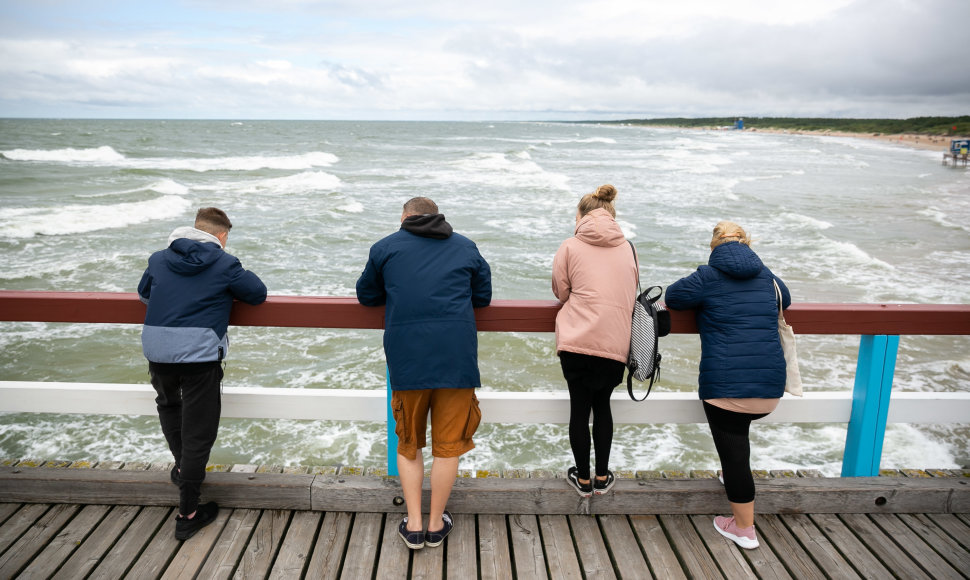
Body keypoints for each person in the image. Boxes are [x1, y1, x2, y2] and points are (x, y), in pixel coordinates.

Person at [356, 197, 491, 550]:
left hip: (408, 359)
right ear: (438, 216)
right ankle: (436, 524)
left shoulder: (385, 248)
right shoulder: (465, 246)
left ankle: (413, 525)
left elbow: (366, 296)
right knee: (448, 448)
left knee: (410, 443)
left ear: (404, 217)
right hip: (456, 359)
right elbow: (484, 296)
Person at [137, 207, 267, 541]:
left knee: (169, 407)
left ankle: (183, 471)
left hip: (158, 350)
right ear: (221, 236)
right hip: (199, 355)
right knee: (199, 431)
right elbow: (257, 294)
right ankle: (188, 513)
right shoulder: (224, 263)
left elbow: (144, 294)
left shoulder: (158, 259)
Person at [664, 221, 791, 550]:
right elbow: (785, 299)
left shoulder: (708, 276)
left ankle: (744, 529)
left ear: (714, 246)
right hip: (770, 386)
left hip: (725, 388)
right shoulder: (765, 275)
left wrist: (703, 275)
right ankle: (731, 477)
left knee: (735, 453)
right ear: (747, 244)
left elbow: (674, 297)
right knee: (737, 442)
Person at [551, 184, 638, 497]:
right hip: (615, 342)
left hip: (577, 341)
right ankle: (602, 477)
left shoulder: (570, 245)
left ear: (580, 215)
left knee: (579, 409)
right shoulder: (627, 247)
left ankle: (583, 480)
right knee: (603, 407)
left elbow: (561, 292)